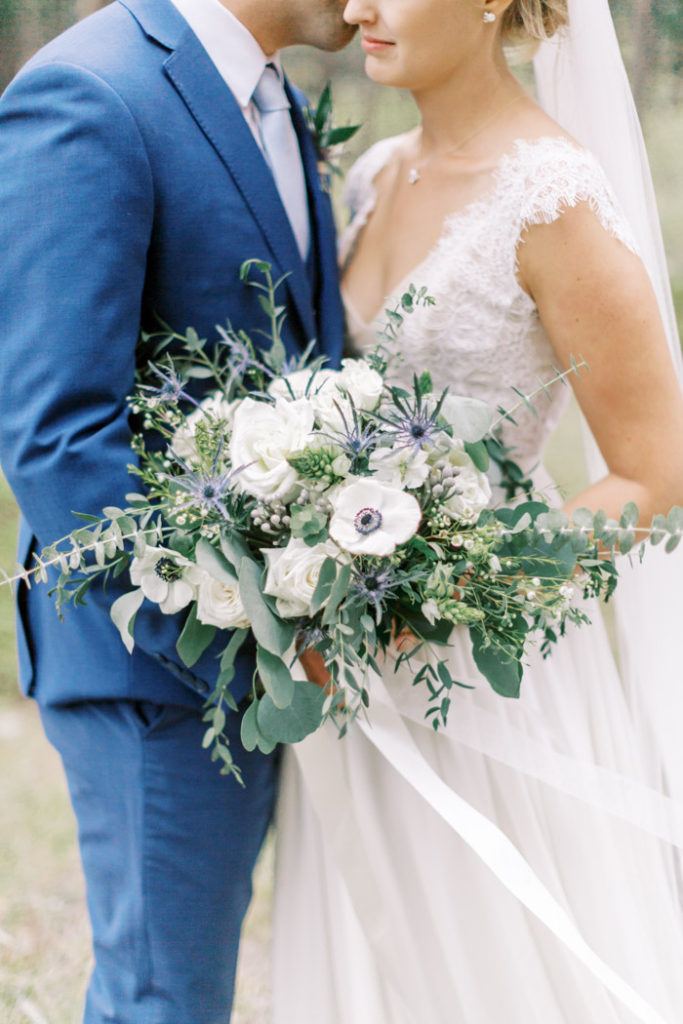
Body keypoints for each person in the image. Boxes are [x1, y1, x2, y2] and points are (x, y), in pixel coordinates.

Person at [277, 0, 683, 1020]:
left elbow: (652, 469)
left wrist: (458, 588)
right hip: (356, 667)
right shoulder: (372, 175)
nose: (356, 5)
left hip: (488, 671)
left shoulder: (551, 200)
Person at [0, 0, 354, 1021]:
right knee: (160, 1003)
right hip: (154, 666)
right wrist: (247, 630)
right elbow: (58, 437)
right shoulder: (92, 92)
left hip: (264, 667)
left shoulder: (274, 99)